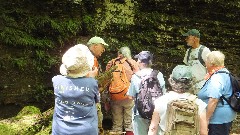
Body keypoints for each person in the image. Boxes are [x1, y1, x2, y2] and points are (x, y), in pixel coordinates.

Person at [52, 45, 99, 135]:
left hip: (60, 130)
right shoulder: (92, 83)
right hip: (87, 131)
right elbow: (96, 100)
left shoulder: (56, 80)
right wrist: (90, 77)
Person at [148, 65, 208, 135]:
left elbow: (153, 128)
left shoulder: (161, 101)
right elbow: (203, 132)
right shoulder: (199, 103)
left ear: (171, 80)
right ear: (191, 82)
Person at [198, 51, 237, 135]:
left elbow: (213, 100)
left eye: (206, 62)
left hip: (217, 120)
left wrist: (206, 120)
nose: (205, 65)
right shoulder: (225, 72)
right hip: (225, 117)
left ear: (212, 63)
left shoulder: (217, 78)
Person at [127, 51, 166, 135]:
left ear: (140, 62)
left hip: (140, 112)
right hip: (156, 111)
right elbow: (163, 93)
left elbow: (130, 96)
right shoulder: (159, 75)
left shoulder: (136, 76)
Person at [105, 47, 139, 135]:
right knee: (129, 123)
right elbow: (138, 79)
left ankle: (117, 131)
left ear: (119, 53)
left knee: (117, 124)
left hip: (115, 95)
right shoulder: (132, 63)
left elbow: (106, 80)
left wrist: (107, 96)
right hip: (129, 95)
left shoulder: (111, 63)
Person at [86, 36, 108, 135]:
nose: (104, 49)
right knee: (96, 124)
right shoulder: (90, 58)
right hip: (91, 98)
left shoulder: (85, 57)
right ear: (95, 46)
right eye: (102, 46)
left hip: (86, 97)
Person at [182, 29, 211, 94]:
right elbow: (186, 67)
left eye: (188, 37)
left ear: (195, 38)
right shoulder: (188, 51)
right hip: (189, 86)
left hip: (201, 86)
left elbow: (211, 69)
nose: (186, 39)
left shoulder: (205, 51)